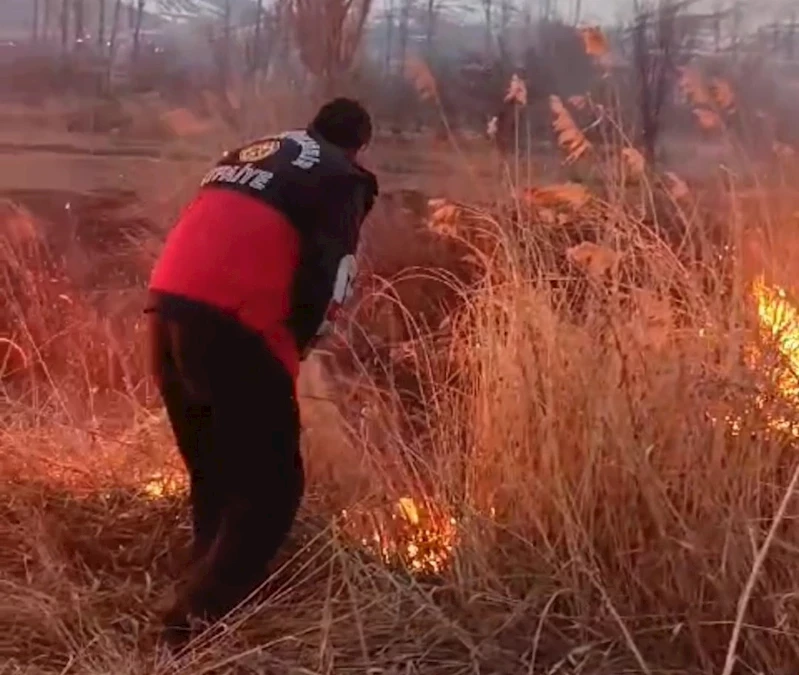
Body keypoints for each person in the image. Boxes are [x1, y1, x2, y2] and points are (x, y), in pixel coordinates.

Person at [144, 98, 379, 648]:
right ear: (359, 145)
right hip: (236, 317)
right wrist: (300, 339)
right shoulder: (343, 176)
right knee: (272, 484)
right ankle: (191, 625)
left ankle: (205, 581)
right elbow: (331, 268)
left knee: (215, 465)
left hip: (165, 305)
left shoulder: (251, 153)